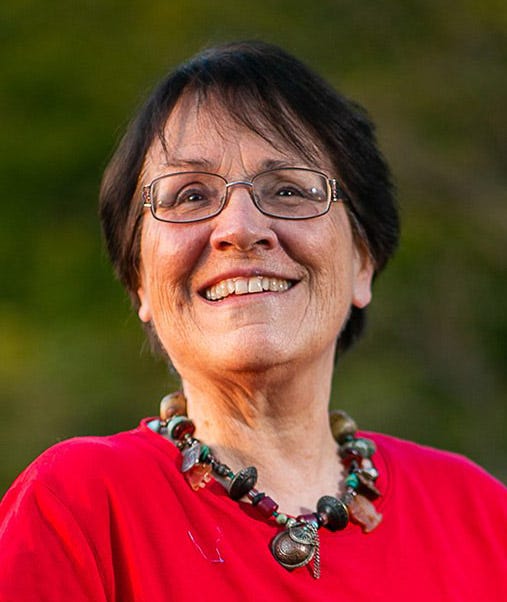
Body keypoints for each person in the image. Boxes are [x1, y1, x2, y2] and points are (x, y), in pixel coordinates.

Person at [1, 41, 506, 601]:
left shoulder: (480, 517)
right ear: (140, 279)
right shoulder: (77, 509)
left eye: (288, 190)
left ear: (363, 261)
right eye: (190, 196)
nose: (240, 229)